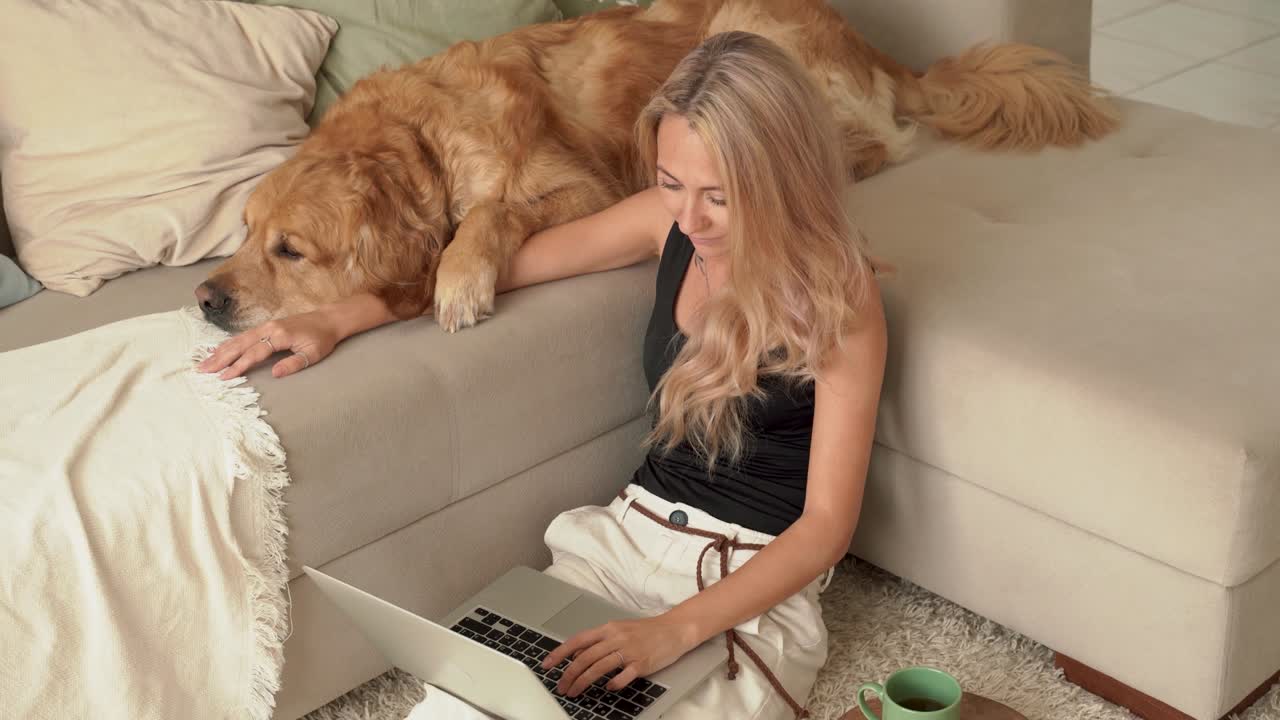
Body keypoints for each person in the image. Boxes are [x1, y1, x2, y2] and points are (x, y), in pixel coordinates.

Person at [199, 30, 887, 720]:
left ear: (781, 176)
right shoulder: (663, 224)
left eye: (720, 196)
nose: (690, 215)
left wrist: (672, 633)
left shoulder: (840, 296)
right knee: (456, 710)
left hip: (745, 577)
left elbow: (827, 526)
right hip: (625, 540)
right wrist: (340, 317)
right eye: (672, 182)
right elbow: (502, 268)